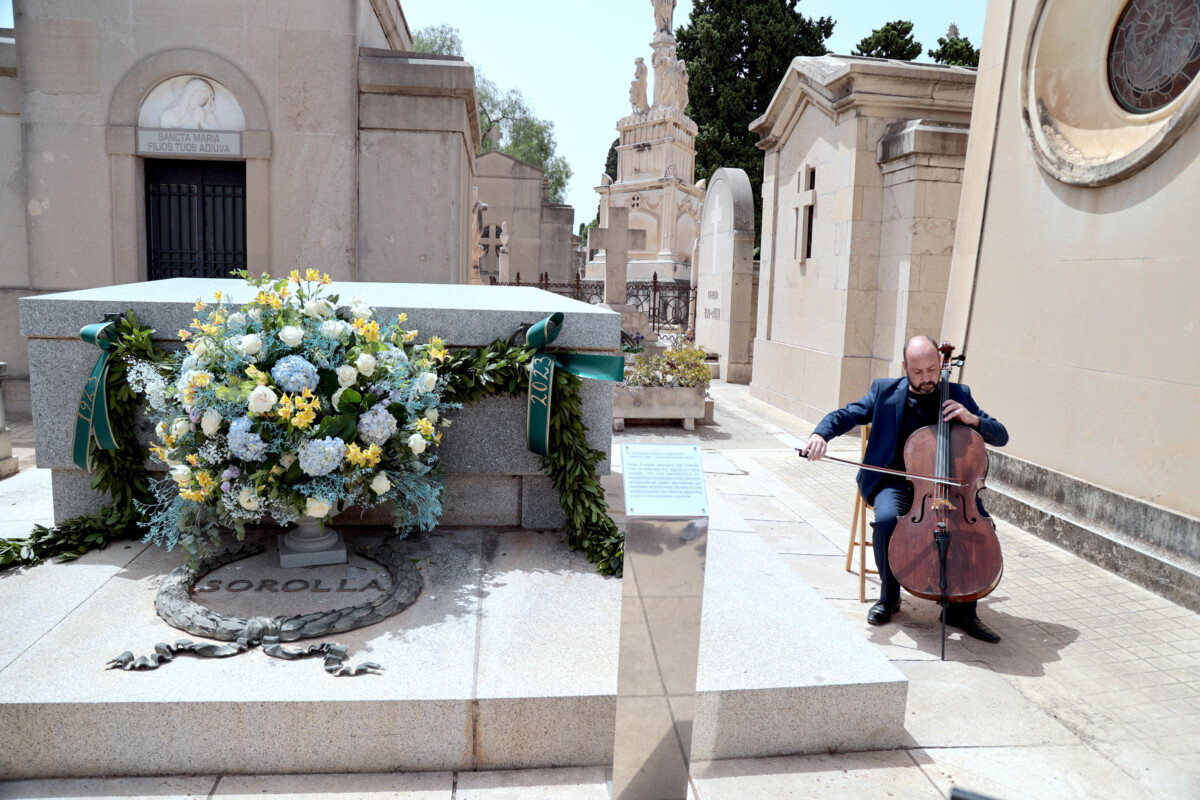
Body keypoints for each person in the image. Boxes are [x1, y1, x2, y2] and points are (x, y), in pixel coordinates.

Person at [804, 336, 1009, 642]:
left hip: (949, 487)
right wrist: (820, 434)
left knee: (978, 527)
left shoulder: (959, 394)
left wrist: (973, 420)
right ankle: (889, 598)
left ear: (940, 364)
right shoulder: (884, 392)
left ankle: (961, 610)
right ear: (905, 367)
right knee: (887, 520)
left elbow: (1001, 436)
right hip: (895, 482)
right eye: (917, 372)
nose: (927, 378)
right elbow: (845, 415)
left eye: (932, 369)